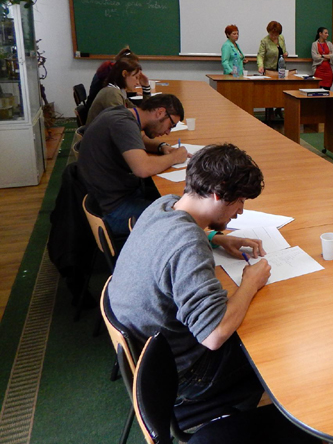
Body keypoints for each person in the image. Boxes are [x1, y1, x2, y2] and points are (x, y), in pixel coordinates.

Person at [108, 144, 271, 414]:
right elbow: (214, 334)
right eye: (240, 201)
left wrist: (216, 238)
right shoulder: (188, 245)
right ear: (218, 194)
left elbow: (175, 242)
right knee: (268, 348)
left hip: (147, 353)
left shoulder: (164, 205)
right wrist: (250, 283)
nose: (240, 211)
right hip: (182, 376)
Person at [77, 93, 188, 237]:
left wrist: (161, 147)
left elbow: (138, 138)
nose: (168, 132)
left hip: (110, 197)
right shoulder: (123, 123)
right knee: (182, 218)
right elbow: (143, 169)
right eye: (170, 125)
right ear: (160, 112)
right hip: (116, 210)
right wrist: (174, 157)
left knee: (175, 201)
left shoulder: (122, 114)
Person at [85, 55, 149, 126]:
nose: (138, 82)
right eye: (136, 77)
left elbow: (139, 112)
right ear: (124, 74)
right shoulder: (112, 93)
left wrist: (146, 87)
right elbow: (121, 123)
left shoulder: (120, 92)